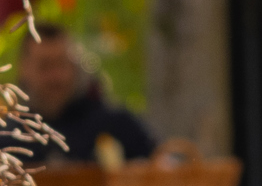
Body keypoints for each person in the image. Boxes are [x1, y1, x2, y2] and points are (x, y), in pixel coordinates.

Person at [10, 24, 158, 165]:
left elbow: (159, 162)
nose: (56, 77)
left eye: (62, 64)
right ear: (24, 69)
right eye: (45, 66)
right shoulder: (9, 138)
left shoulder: (116, 126)